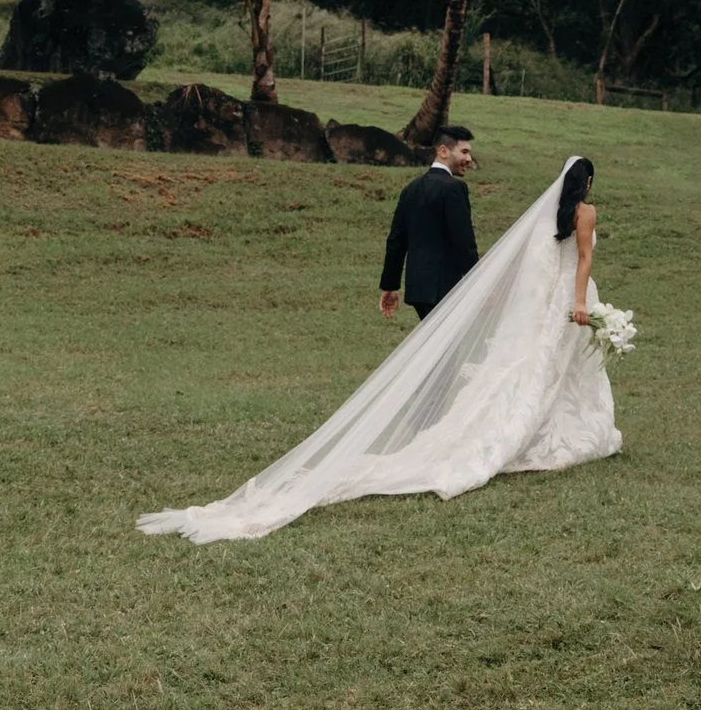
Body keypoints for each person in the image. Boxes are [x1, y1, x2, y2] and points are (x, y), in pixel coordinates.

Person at [138, 155, 620, 543]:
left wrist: (391, 283)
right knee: (552, 369)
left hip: (532, 306)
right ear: (589, 182)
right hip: (568, 302)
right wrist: (580, 303)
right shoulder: (586, 213)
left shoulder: (542, 218)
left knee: (534, 369)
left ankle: (512, 422)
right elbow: (580, 262)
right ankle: (540, 429)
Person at [378, 125, 478, 320]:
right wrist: (480, 283)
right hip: (447, 289)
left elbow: (396, 242)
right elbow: (464, 244)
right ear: (443, 151)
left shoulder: (410, 189)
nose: (469, 159)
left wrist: (390, 286)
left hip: (419, 292)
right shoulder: (454, 188)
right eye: (464, 152)